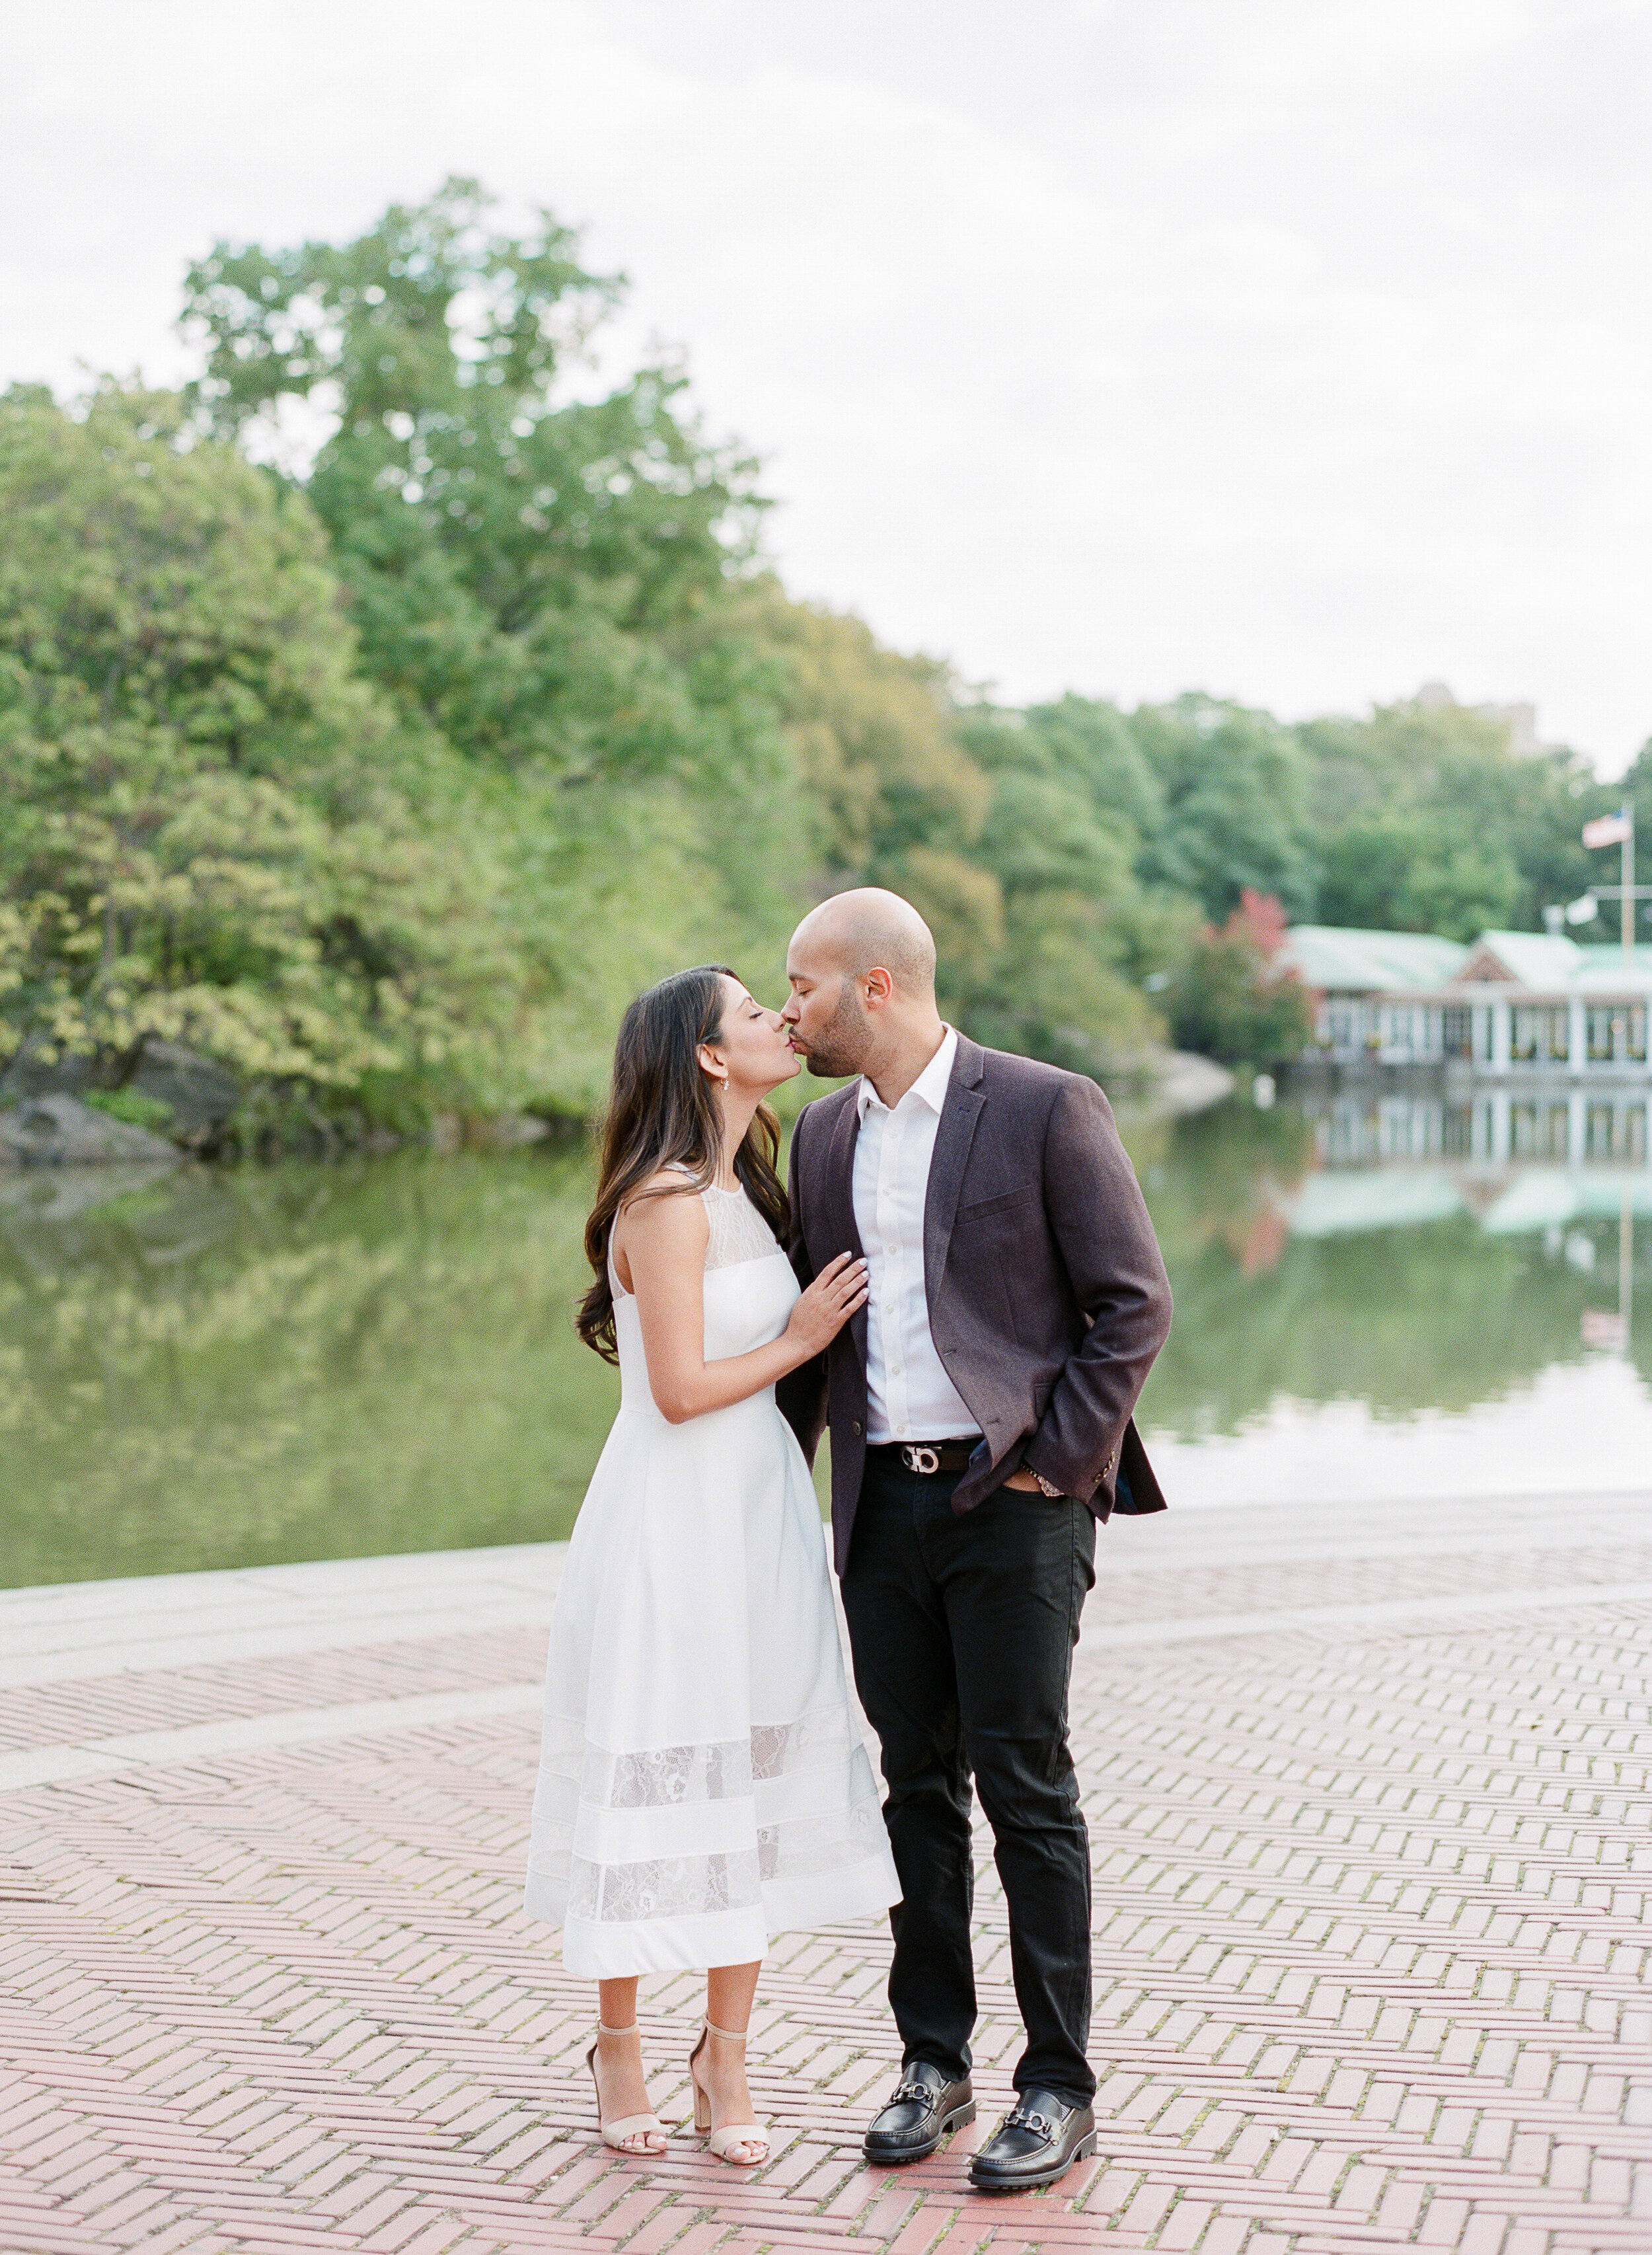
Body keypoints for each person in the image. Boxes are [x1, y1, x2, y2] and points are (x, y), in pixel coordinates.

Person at [778, 889, 1173, 2194]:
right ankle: (929, 2065)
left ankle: (1056, 2087)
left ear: (876, 986)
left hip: (1012, 1505)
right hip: (880, 1506)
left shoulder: (1044, 1106)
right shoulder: (822, 1134)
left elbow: (1131, 1305)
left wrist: (1049, 1473)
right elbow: (810, 1339)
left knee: (1025, 1785)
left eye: (805, 986)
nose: (790, 1009)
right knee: (912, 1786)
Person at [524, 966, 901, 2165]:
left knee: (754, 1764)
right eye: (754, 1014)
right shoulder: (665, 1200)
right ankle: (621, 2043)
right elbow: (679, 1390)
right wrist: (797, 1340)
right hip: (668, 1518)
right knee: (656, 1764)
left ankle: (725, 2053)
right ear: (704, 1056)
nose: (781, 1023)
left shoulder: (754, 1193)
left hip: (761, 1516)